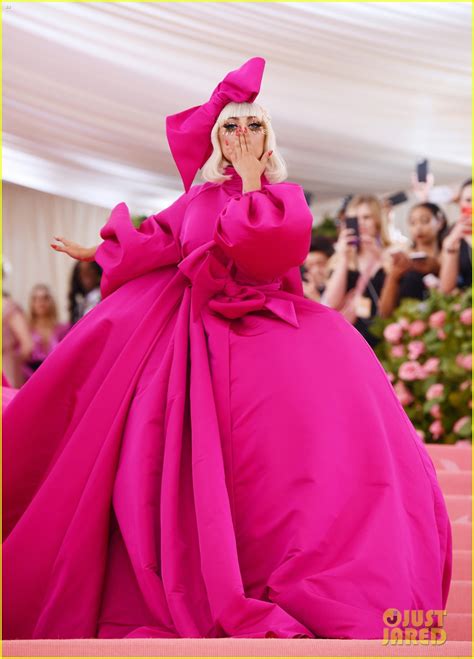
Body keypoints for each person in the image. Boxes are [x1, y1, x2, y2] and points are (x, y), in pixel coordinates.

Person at [3, 58, 451, 641]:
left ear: (268, 138)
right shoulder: (199, 196)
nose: (242, 138)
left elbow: (270, 246)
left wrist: (251, 180)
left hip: (265, 324)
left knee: (311, 415)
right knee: (126, 384)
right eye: (231, 129)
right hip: (192, 331)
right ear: (217, 139)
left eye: (253, 128)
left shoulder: (281, 196)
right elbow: (158, 238)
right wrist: (101, 251)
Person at [321, 195, 391, 347]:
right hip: (350, 338)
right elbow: (331, 303)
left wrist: (381, 258)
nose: (361, 223)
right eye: (355, 218)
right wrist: (343, 257)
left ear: (378, 221)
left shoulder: (391, 254)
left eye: (367, 217)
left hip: (384, 336)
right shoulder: (341, 258)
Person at [379, 203, 447, 318]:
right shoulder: (403, 258)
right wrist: (394, 275)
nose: (418, 228)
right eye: (412, 223)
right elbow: (385, 312)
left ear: (440, 222)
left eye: (424, 221)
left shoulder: (449, 255)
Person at [22, 284, 70, 381]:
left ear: (51, 302)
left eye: (45, 298)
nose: (41, 302)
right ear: (31, 303)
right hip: (29, 383)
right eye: (36, 299)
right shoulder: (25, 331)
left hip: (58, 379)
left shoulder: (63, 329)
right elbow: (19, 362)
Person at [439, 178, 472, 294]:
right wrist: (451, 244)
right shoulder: (451, 235)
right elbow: (446, 289)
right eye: (468, 200)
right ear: (460, 204)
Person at [68, 260, 103, 325]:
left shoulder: (103, 296)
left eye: (89, 269)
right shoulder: (80, 303)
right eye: (80, 272)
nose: (86, 274)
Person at [301, 236, 334, 302]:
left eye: (321, 264)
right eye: (310, 265)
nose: (316, 270)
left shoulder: (343, 285)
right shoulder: (303, 291)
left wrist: (317, 299)